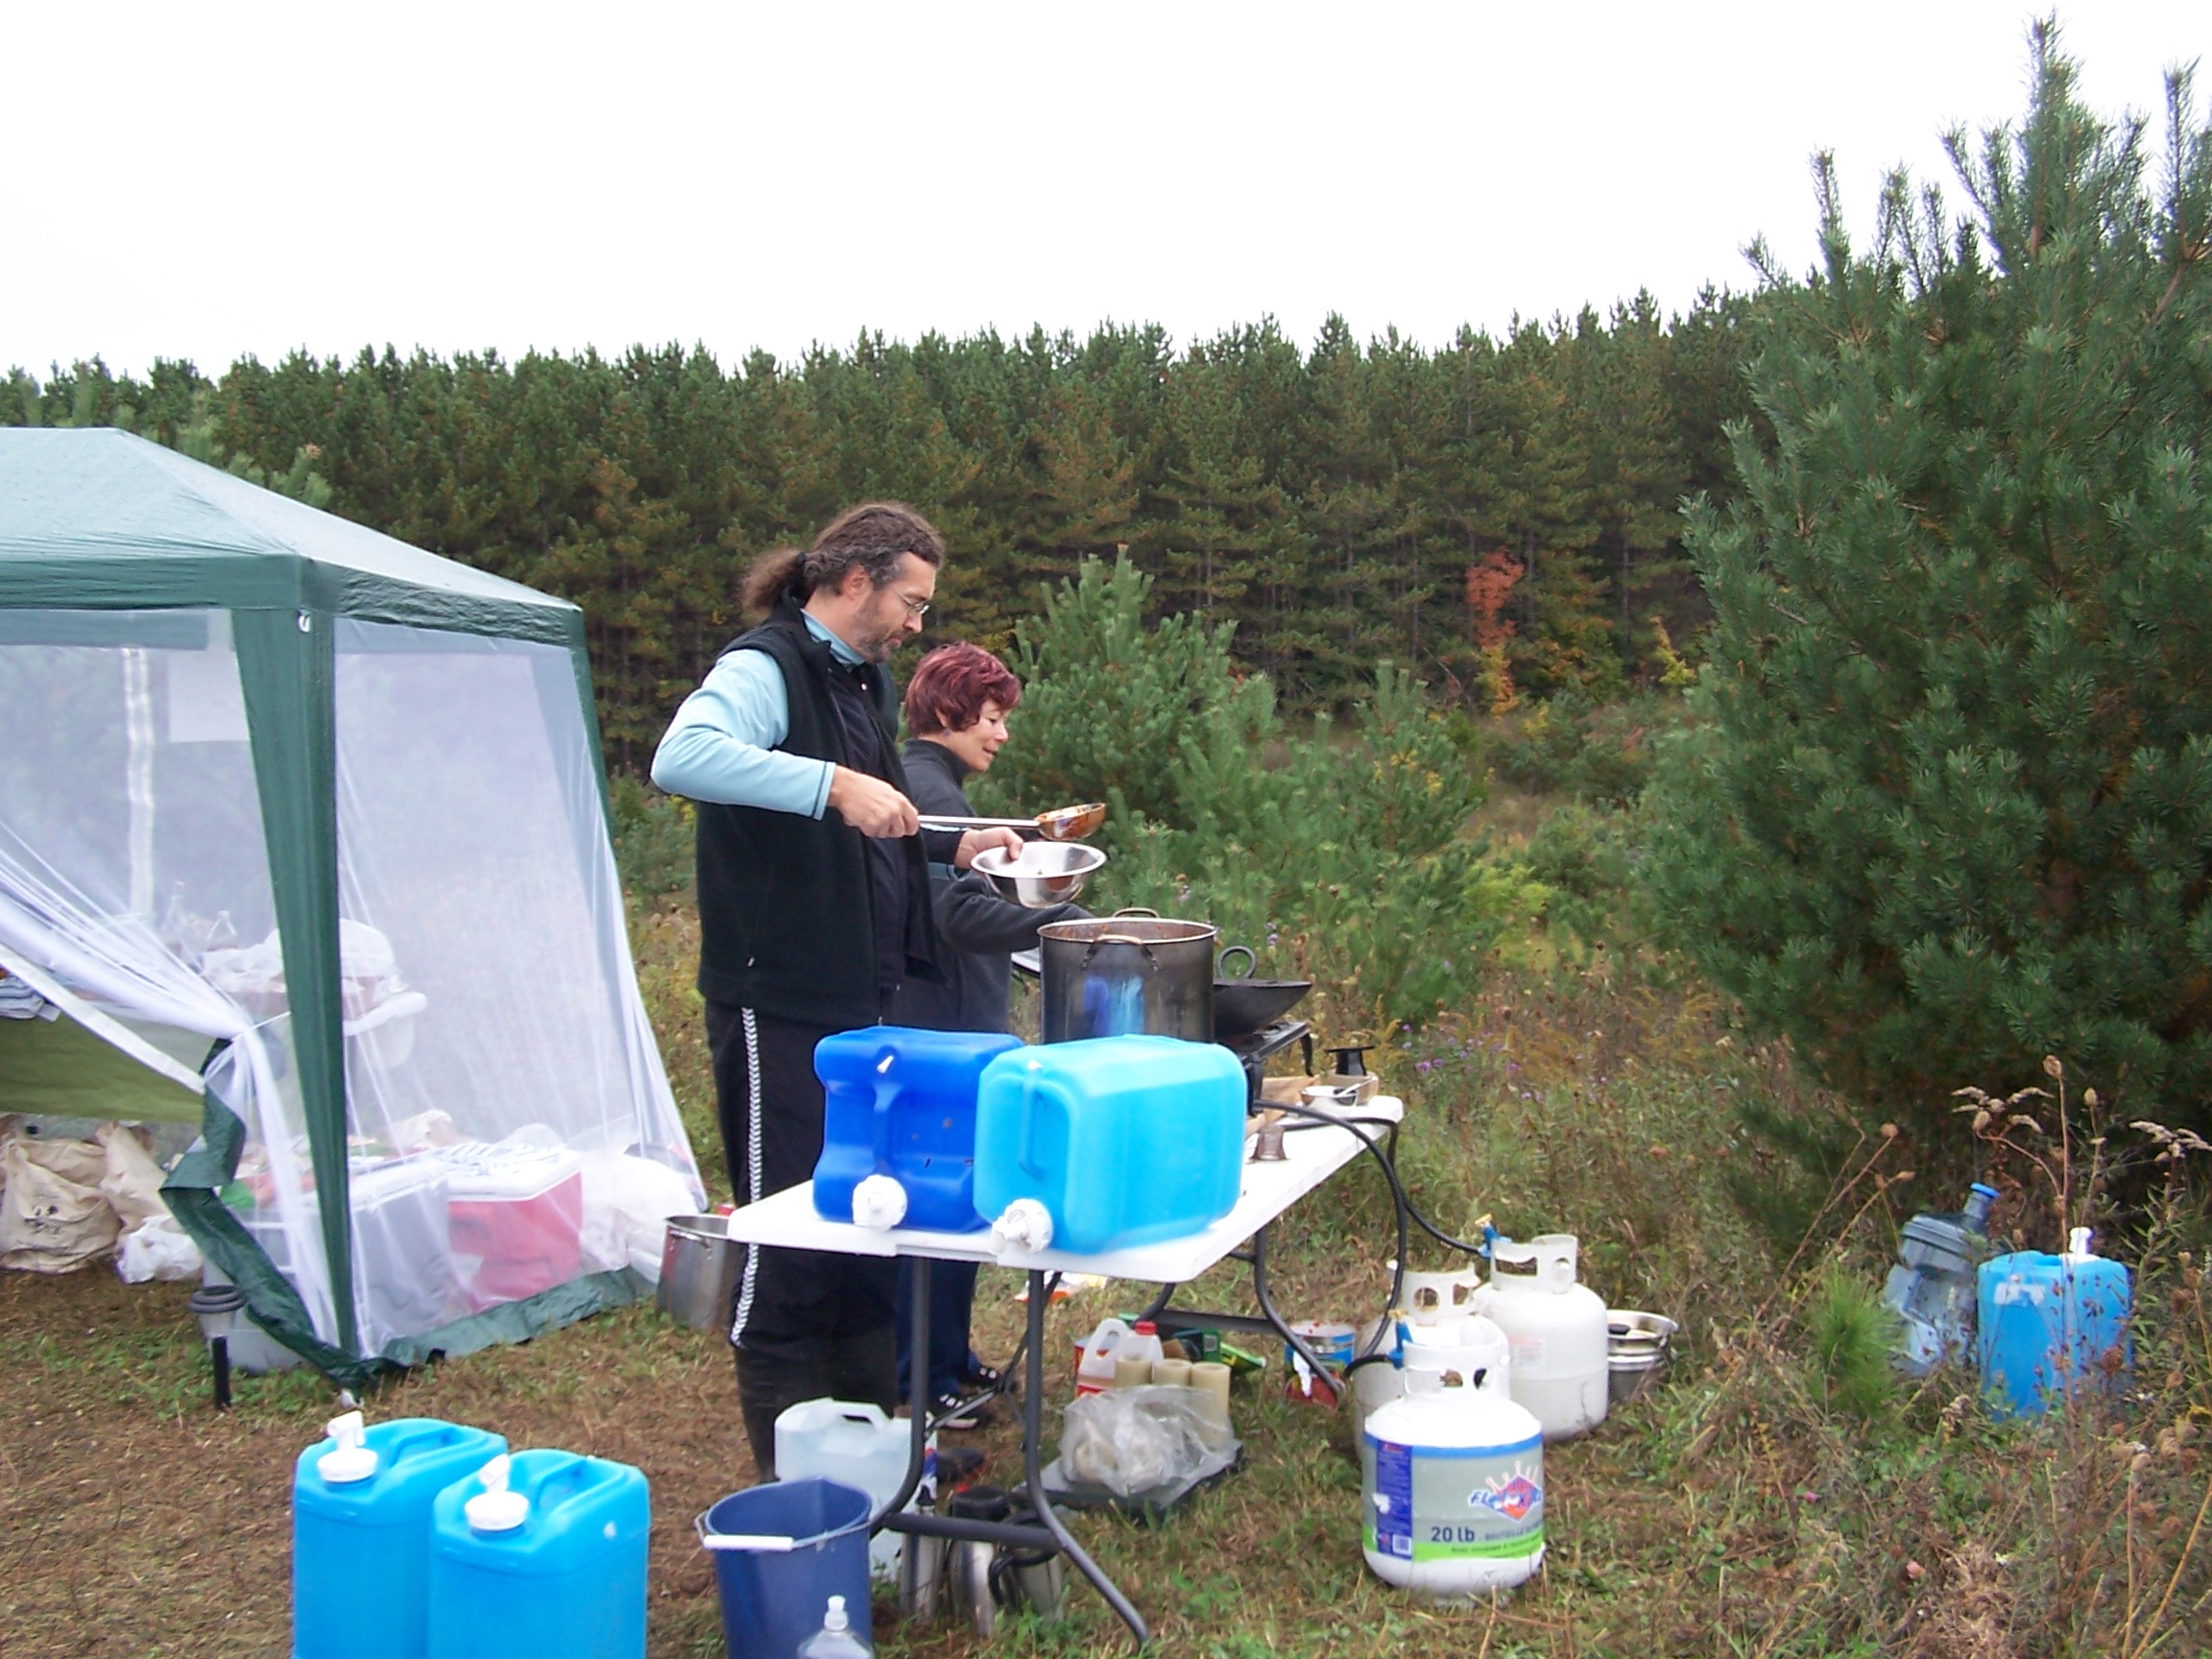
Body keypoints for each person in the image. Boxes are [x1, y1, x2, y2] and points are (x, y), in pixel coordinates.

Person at [649, 502, 1021, 1472]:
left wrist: (954, 842)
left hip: (865, 1009)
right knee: (788, 1242)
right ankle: (793, 1487)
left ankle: (873, 1467)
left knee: (865, 1233)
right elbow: (681, 757)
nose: (917, 624)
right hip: (779, 1002)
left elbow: (872, 825)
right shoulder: (766, 666)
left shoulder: (863, 679)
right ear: (854, 580)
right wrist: (831, 784)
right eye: (911, 602)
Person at [890, 642, 1089, 1427]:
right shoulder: (926, 791)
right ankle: (918, 1375)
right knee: (935, 1204)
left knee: (966, 1197)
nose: (1002, 734)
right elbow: (951, 913)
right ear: (948, 711)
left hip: (960, 1023)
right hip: (934, 1026)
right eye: (993, 717)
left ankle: (948, 1355)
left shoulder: (942, 789)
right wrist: (1064, 920)